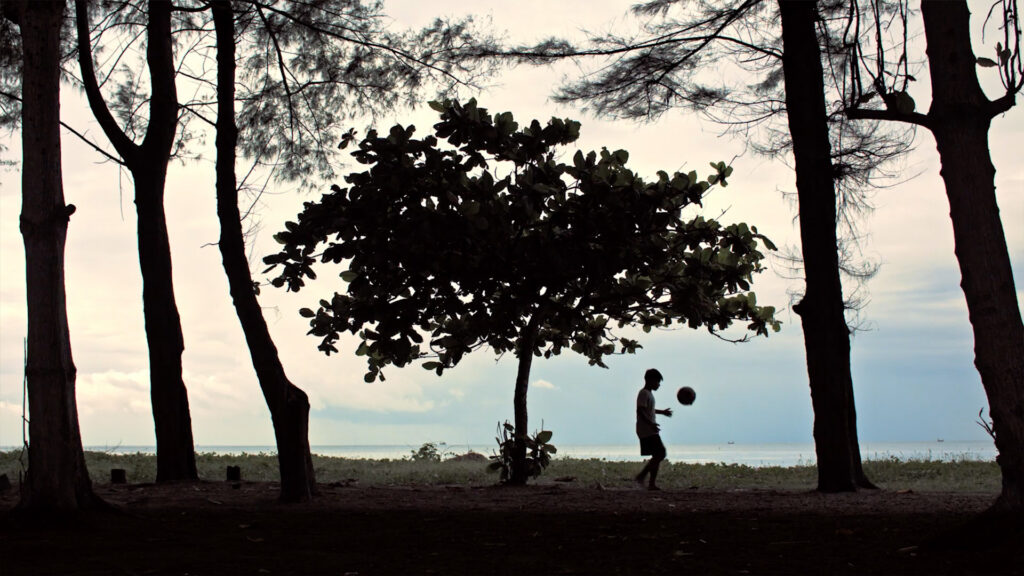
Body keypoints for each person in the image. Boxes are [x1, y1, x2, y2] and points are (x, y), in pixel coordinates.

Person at [635, 368, 672, 490]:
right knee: (661, 453)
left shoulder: (649, 394)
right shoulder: (644, 393)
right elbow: (640, 410)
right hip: (646, 429)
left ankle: (651, 483)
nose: (658, 385)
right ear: (650, 380)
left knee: (657, 454)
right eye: (657, 382)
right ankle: (642, 476)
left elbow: (649, 409)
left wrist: (662, 412)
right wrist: (650, 423)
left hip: (649, 428)